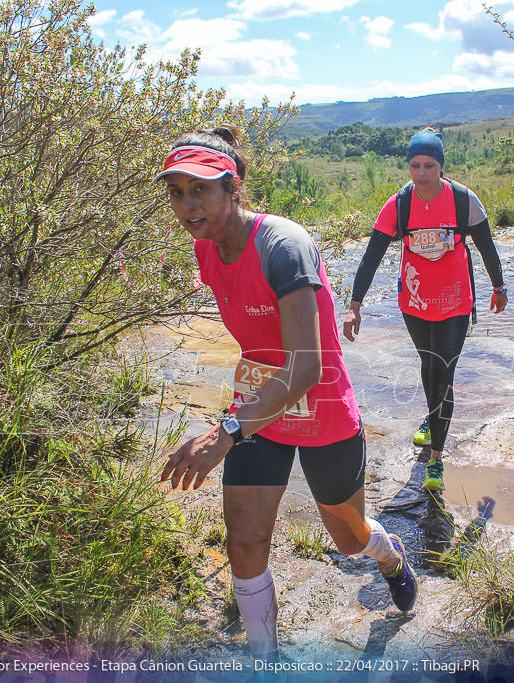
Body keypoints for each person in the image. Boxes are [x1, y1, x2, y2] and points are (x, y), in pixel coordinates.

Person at [158, 127, 417, 659]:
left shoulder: (284, 247)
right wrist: (240, 421)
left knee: (347, 540)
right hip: (258, 409)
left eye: (200, 189)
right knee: (245, 544)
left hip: (319, 409)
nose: (187, 206)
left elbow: (305, 366)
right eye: (177, 191)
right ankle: (265, 661)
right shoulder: (204, 246)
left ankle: (388, 553)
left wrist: (226, 431)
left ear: (234, 189)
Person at [343, 128, 507, 493]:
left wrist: (498, 286)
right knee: (428, 364)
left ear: (441, 166)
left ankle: (436, 458)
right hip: (415, 303)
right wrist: (355, 305)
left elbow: (485, 246)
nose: (421, 173)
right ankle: (432, 418)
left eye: (429, 165)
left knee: (443, 369)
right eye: (415, 165)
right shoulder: (399, 205)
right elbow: (372, 257)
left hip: (455, 301)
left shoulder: (464, 201)